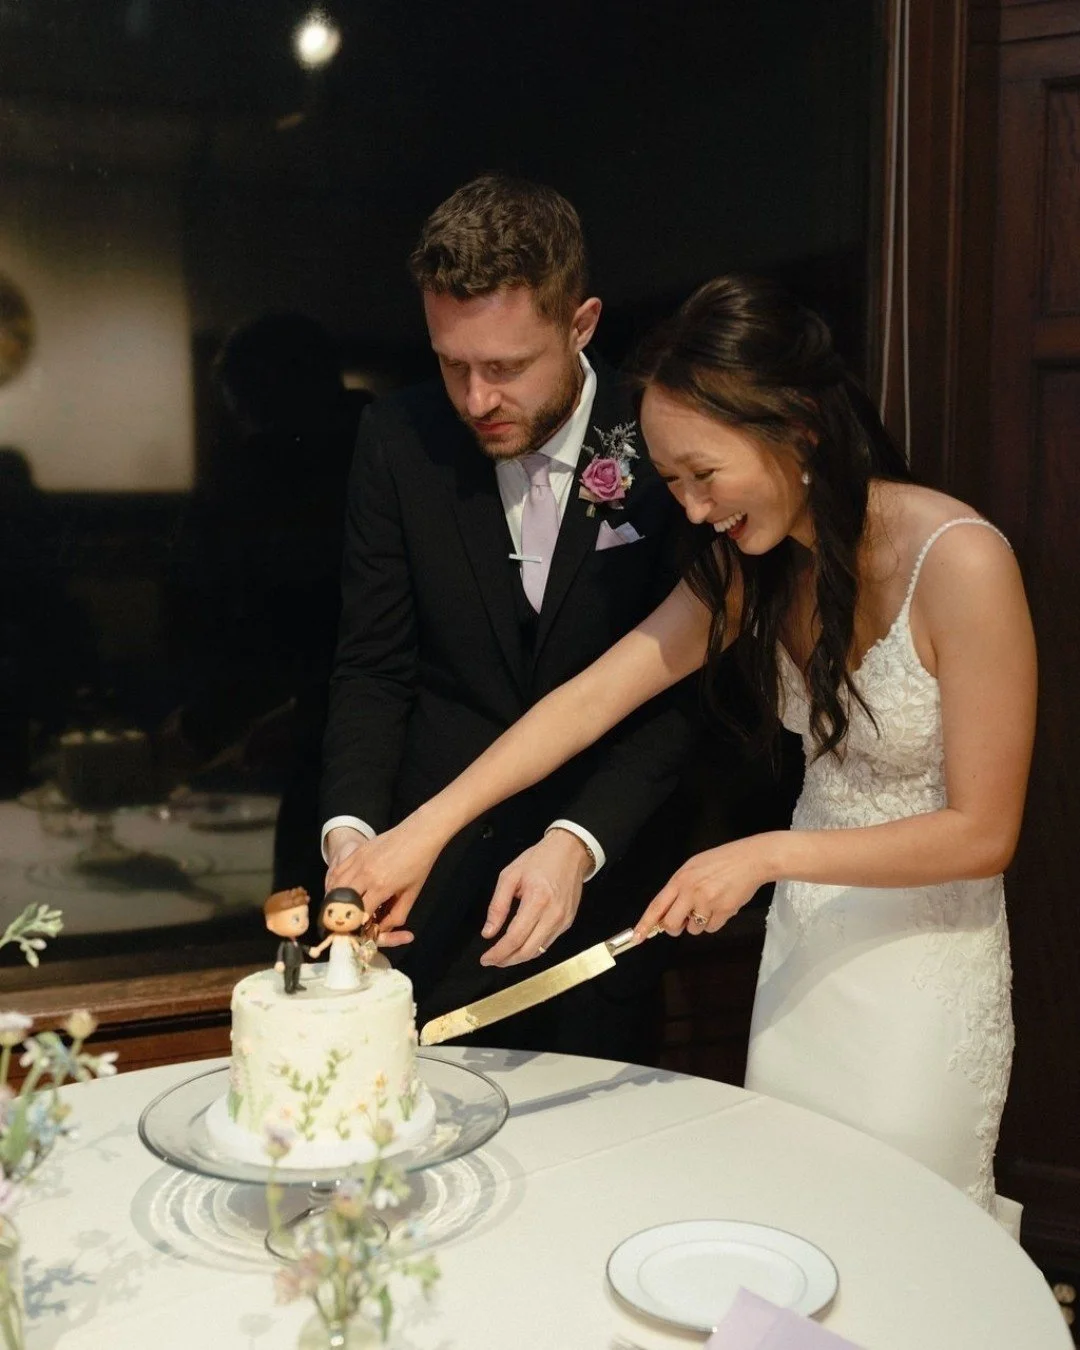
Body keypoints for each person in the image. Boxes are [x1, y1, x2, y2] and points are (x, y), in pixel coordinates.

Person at [334, 275, 1037, 1220]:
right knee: (796, 1218)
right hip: (810, 948)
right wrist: (422, 832)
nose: (696, 512)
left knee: (905, 1225)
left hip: (923, 964)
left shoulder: (961, 560)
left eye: (705, 476)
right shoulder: (760, 575)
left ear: (797, 427)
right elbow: (583, 704)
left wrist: (763, 855)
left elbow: (982, 832)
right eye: (672, 484)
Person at [320, 174, 707, 1058]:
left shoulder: (660, 434)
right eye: (451, 363)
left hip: (611, 874)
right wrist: (357, 836)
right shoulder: (398, 438)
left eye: (505, 367)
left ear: (582, 325)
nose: (475, 399)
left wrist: (580, 838)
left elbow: (687, 691)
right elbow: (374, 665)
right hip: (437, 881)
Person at [309, 888, 377, 990]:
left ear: (363, 917)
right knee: (335, 967)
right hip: (335, 955)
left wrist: (361, 952)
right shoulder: (333, 936)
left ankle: (348, 982)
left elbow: (356, 947)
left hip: (347, 956)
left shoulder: (350, 938)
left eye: (348, 914)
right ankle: (334, 982)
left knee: (347, 967)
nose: (340, 918)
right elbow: (325, 944)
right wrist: (317, 949)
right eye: (331, 912)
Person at [264, 886, 313, 995]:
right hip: (289, 963)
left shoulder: (296, 941)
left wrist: (310, 950)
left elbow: (301, 947)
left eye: (306, 916)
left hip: (298, 961)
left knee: (297, 973)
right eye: (296, 919)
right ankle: (288, 986)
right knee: (288, 974)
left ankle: (296, 984)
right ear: (271, 924)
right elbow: (280, 953)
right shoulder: (284, 943)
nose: (303, 922)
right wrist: (280, 961)